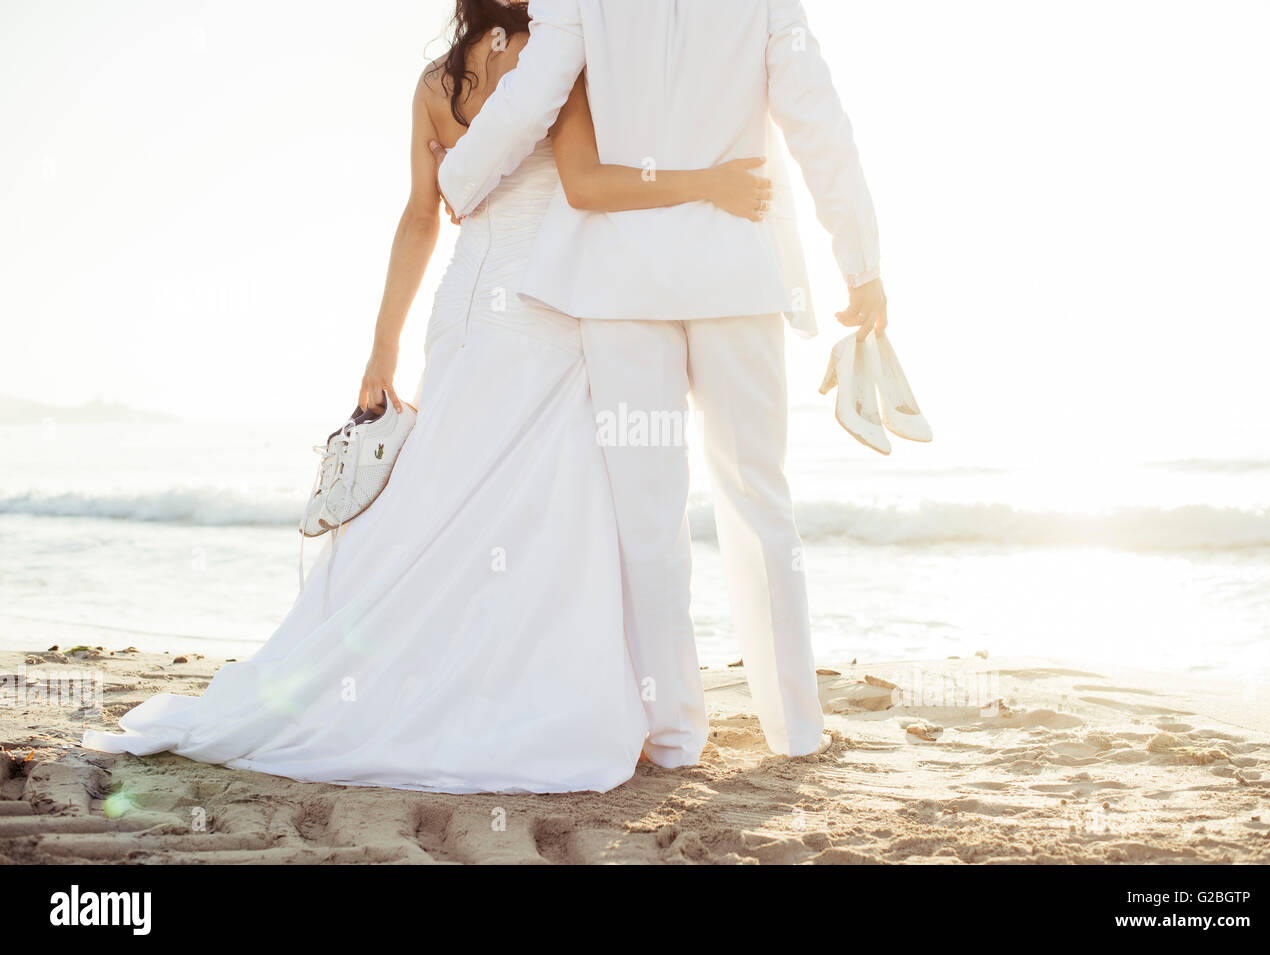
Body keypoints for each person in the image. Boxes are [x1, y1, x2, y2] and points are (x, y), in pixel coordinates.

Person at [81, 0, 771, 794]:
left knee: (444, 504)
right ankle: (519, 690)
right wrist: (706, 184)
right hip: (544, 314)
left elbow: (420, 218)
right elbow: (584, 185)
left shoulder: (433, 86)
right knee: (539, 511)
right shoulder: (555, 54)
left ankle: (423, 678)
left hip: (463, 316)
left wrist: (383, 348)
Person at [436, 0, 888, 767]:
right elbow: (817, 118)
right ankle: (798, 731)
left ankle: (674, 734)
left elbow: (532, 95)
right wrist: (861, 259)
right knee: (760, 503)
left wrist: (461, 175)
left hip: (623, 286)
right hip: (735, 275)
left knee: (647, 518)